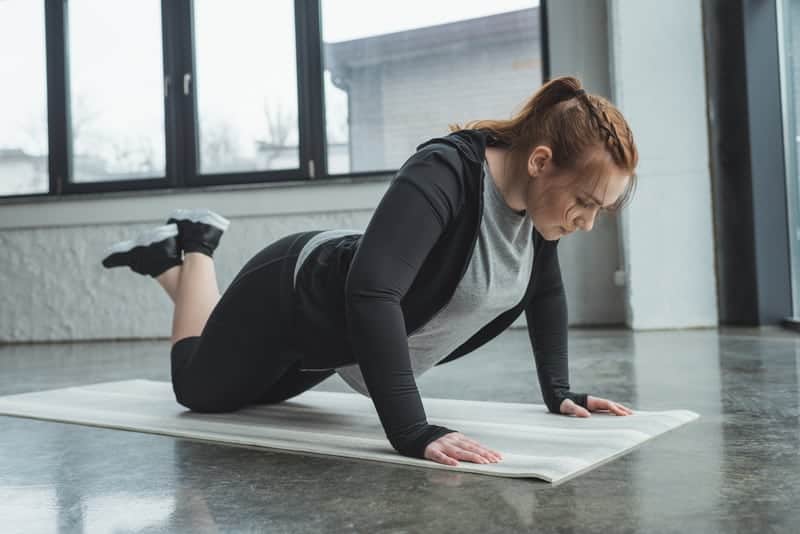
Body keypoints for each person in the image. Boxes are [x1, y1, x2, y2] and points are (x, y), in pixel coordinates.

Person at [101, 75, 639, 468]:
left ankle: (161, 261)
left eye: (599, 210)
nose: (588, 223)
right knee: (198, 391)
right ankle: (196, 244)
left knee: (253, 394)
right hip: (291, 295)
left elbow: (543, 291)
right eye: (585, 203)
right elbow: (373, 292)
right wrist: (411, 431)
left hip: (335, 341)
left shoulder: (539, 214)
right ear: (541, 162)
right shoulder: (447, 171)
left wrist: (560, 390)